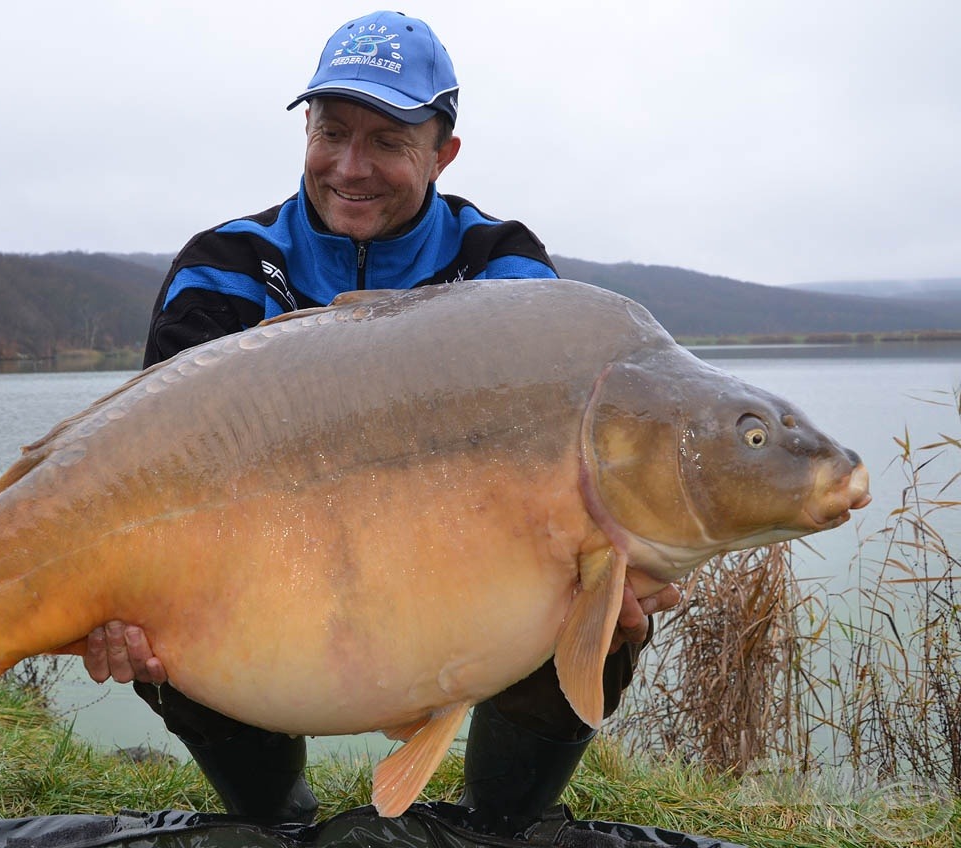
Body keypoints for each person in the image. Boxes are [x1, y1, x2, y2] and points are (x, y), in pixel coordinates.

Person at [81, 10, 681, 838]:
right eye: (330, 132)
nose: (349, 168)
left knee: (604, 605)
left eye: (388, 142)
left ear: (443, 153)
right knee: (156, 605)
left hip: (456, 576)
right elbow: (149, 475)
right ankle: (268, 817)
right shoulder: (221, 269)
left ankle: (496, 823)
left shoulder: (504, 270)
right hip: (260, 572)